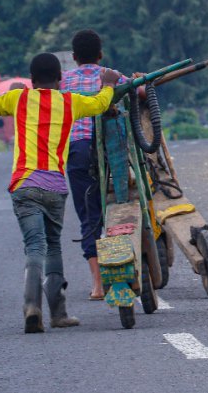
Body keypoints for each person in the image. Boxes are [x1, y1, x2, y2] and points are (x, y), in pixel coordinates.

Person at [0, 53, 121, 333]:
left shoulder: (19, 100)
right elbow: (99, 104)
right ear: (60, 80)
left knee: (34, 247)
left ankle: (31, 306)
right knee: (53, 246)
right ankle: (58, 313)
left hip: (24, 185)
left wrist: (13, 93)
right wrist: (107, 84)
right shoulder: (69, 102)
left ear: (31, 81)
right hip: (55, 188)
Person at [59, 29, 124, 301]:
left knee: (89, 215)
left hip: (78, 152)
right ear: (100, 54)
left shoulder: (63, 81)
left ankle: (98, 285)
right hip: (112, 150)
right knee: (119, 206)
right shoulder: (111, 76)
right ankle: (123, 268)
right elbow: (142, 92)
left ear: (73, 57)